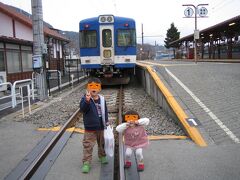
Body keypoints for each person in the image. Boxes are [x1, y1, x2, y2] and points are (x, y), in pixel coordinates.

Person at [79, 77, 109, 173]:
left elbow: (105, 111)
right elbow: (83, 109)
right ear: (88, 88)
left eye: (96, 86)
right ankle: (86, 162)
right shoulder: (85, 99)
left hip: (100, 126)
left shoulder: (102, 99)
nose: (94, 88)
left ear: (99, 88)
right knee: (88, 145)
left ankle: (102, 156)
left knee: (102, 143)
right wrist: (87, 100)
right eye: (91, 86)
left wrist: (106, 120)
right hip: (90, 128)